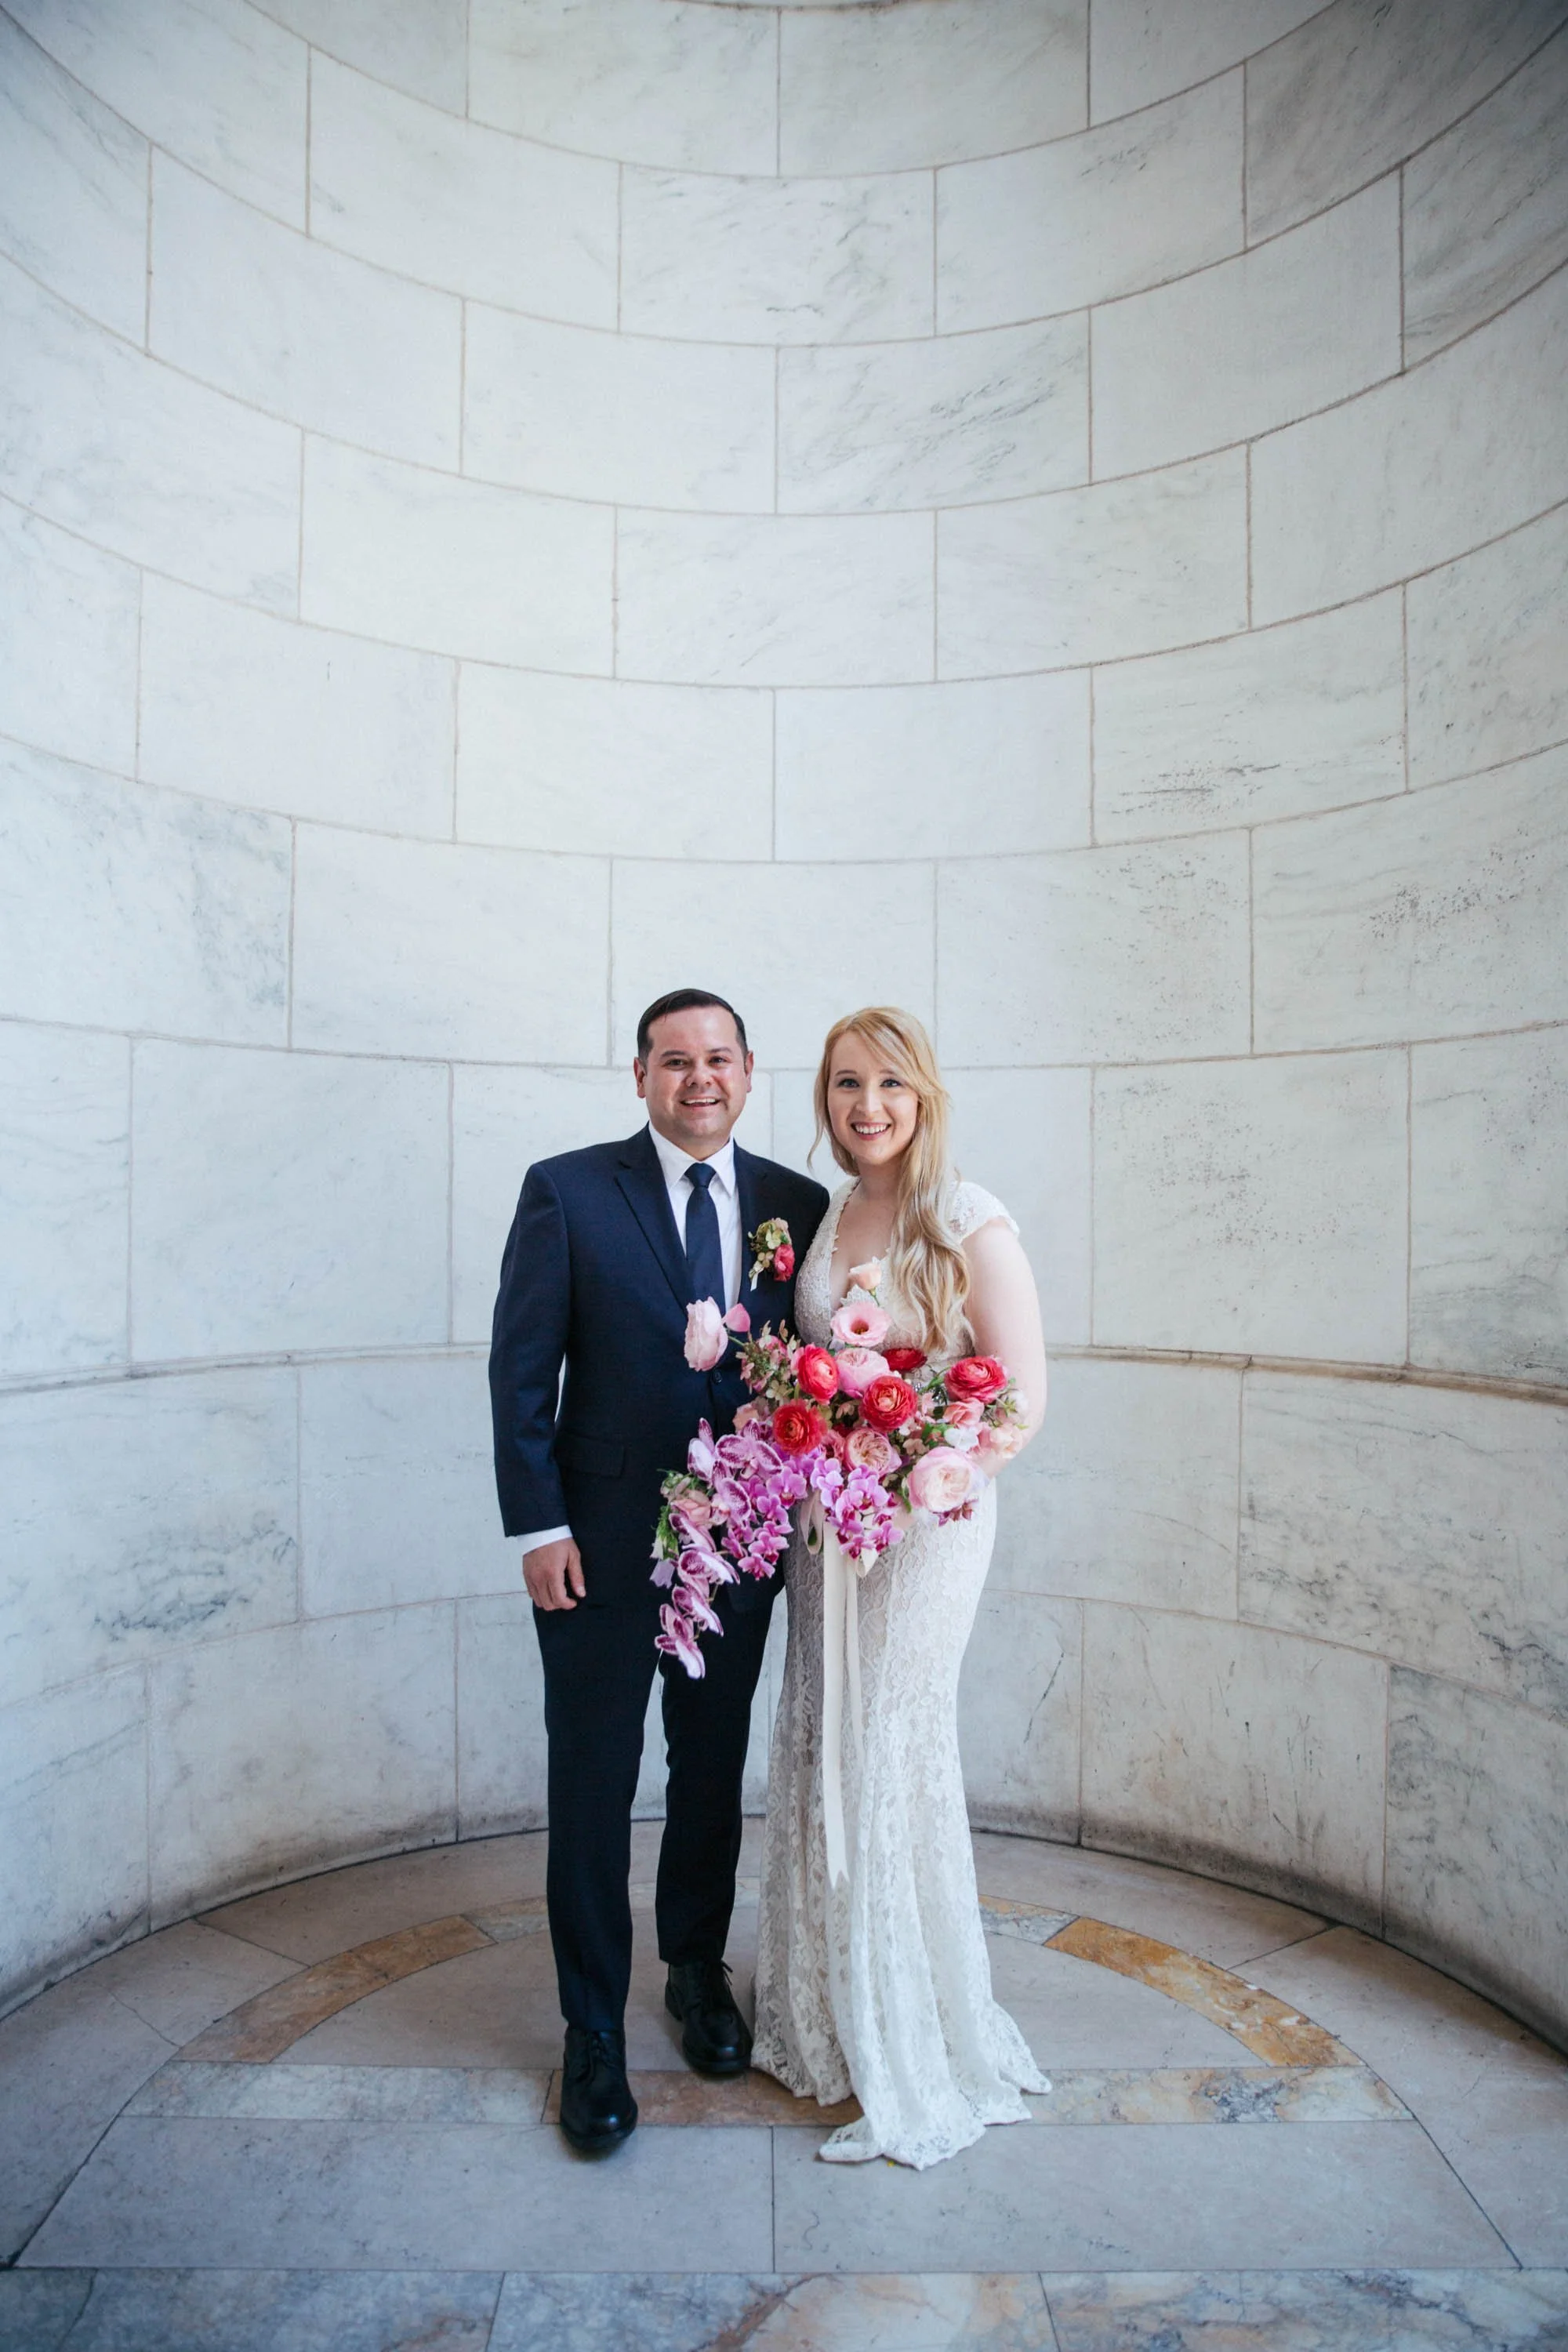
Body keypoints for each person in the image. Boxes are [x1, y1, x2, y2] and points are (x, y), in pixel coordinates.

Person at [489, 989, 826, 2154]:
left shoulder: (798, 1203)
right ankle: (590, 2029)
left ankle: (694, 1970)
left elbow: (810, 1377)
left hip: (738, 1546)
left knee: (708, 1763)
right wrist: (539, 1530)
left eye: (719, 1059)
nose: (699, 1079)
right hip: (597, 1545)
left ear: (749, 1070)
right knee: (592, 1777)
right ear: (639, 1076)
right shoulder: (569, 1191)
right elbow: (521, 1373)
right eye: (674, 1061)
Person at [752, 1004, 1051, 2169]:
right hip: (832, 1529)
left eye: (886, 1084)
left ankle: (908, 2032)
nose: (865, 1107)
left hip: (930, 1522)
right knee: (825, 1740)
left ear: (923, 1093)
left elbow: (1020, 1402)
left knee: (888, 1744)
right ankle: (825, 2016)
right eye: (842, 1087)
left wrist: (928, 1463)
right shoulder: (830, 1218)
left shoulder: (967, 1218)